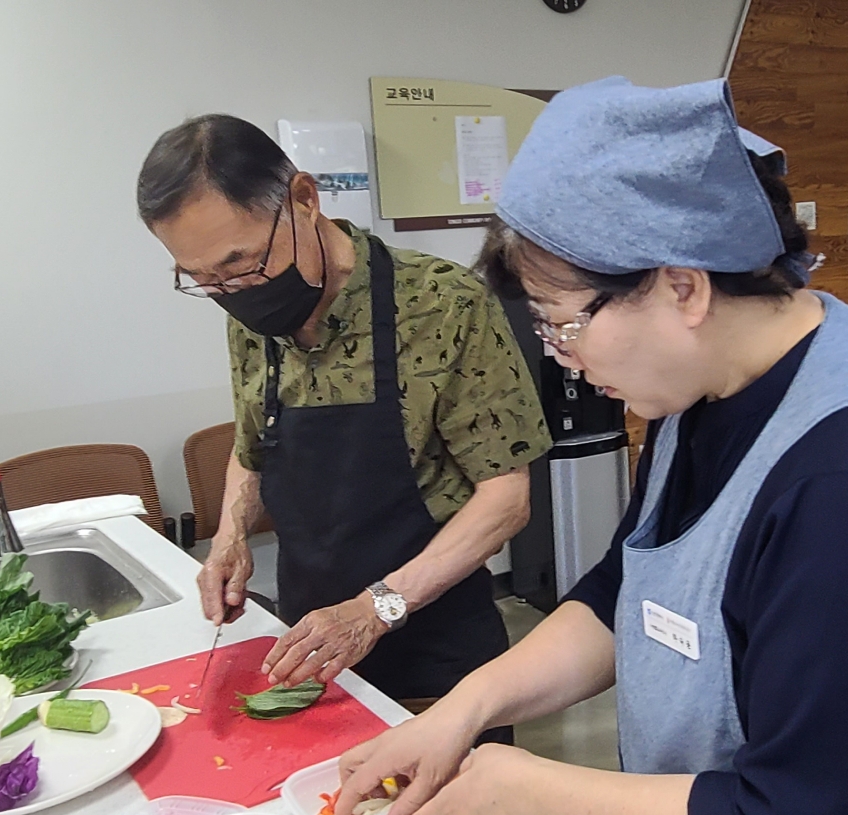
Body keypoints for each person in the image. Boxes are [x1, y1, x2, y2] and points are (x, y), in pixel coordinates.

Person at [335, 77, 848, 815]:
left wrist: (540, 793)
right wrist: (466, 706)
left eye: (562, 325)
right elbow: (624, 591)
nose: (562, 360)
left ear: (682, 287)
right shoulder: (700, 389)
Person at [136, 115, 552, 735]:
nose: (233, 292)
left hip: (435, 653)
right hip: (312, 643)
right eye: (202, 280)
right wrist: (229, 538)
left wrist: (375, 609)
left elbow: (506, 497)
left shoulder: (442, 304)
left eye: (242, 263)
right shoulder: (248, 316)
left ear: (304, 199)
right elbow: (252, 447)